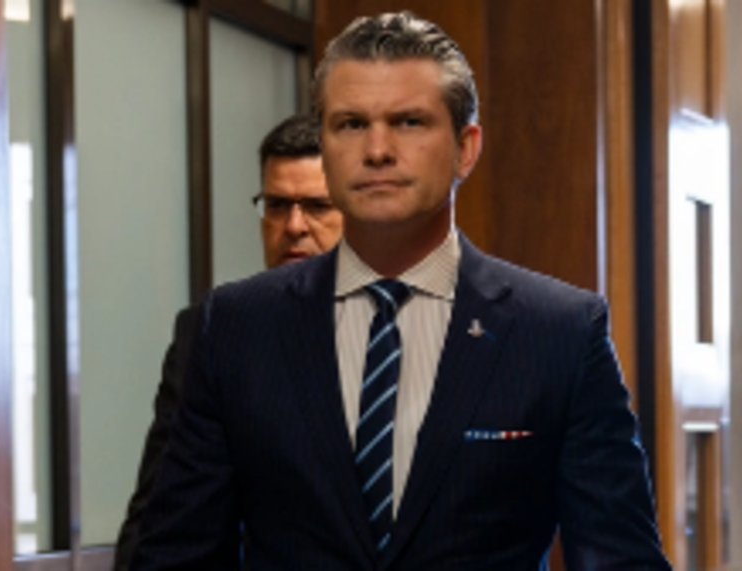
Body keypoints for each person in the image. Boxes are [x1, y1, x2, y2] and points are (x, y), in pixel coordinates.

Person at [131, 12, 672, 570]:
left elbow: (621, 560)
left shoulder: (559, 331)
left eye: (409, 122)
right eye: (350, 124)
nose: (377, 150)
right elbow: (175, 556)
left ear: (465, 148)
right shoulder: (236, 327)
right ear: (325, 146)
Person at [113, 114, 342, 571]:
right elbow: (160, 509)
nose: (294, 226)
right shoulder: (213, 329)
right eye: (276, 205)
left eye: (317, 206)